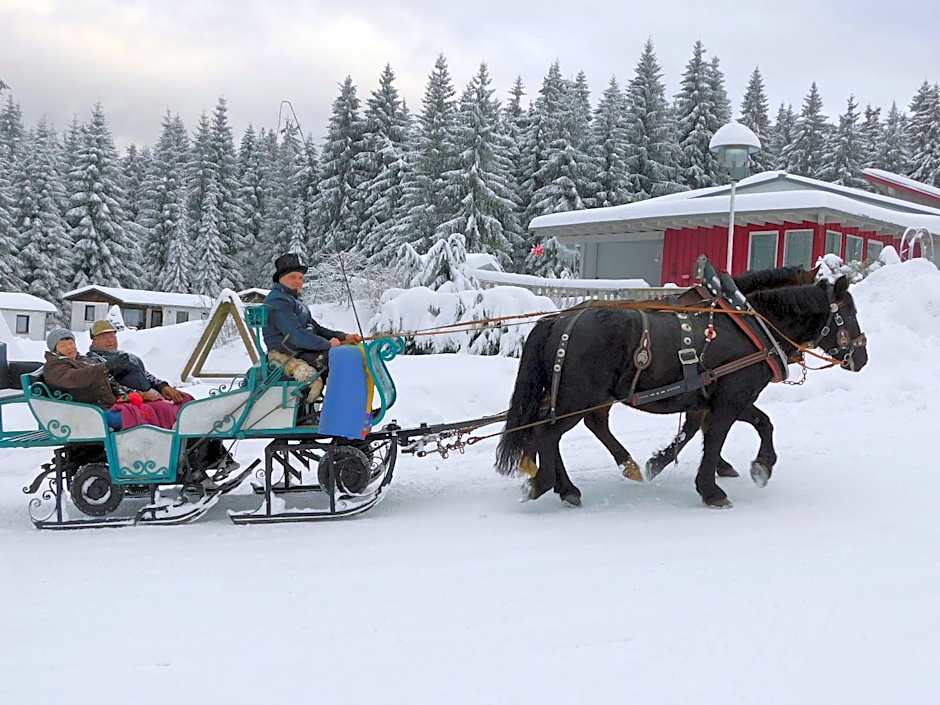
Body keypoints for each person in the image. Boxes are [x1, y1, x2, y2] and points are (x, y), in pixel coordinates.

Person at [262, 253, 362, 408]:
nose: (298, 282)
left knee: (348, 352)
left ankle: (344, 407)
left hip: (300, 350)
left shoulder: (294, 301)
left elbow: (316, 328)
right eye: (293, 277)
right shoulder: (278, 300)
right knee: (340, 358)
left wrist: (343, 336)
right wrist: (328, 345)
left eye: (301, 278)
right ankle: (339, 409)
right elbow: (296, 336)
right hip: (287, 354)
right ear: (280, 278)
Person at [85, 320, 190, 404]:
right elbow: (110, 385)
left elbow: (145, 375)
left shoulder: (125, 356)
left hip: (148, 396)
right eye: (104, 337)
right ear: (94, 341)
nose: (110, 341)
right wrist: (141, 395)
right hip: (128, 402)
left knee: (185, 399)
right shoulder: (93, 361)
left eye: (112, 336)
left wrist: (162, 386)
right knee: (166, 409)